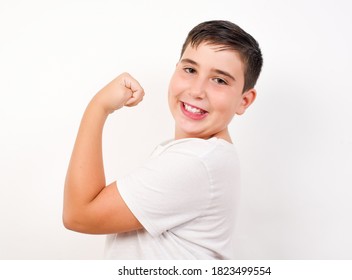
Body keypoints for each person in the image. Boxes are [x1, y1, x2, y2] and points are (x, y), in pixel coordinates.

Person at [63, 20, 263, 259]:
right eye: (190, 70)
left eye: (219, 80)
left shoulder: (196, 161)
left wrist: (98, 107)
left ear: (244, 100)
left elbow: (79, 215)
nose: (197, 90)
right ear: (176, 68)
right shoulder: (203, 155)